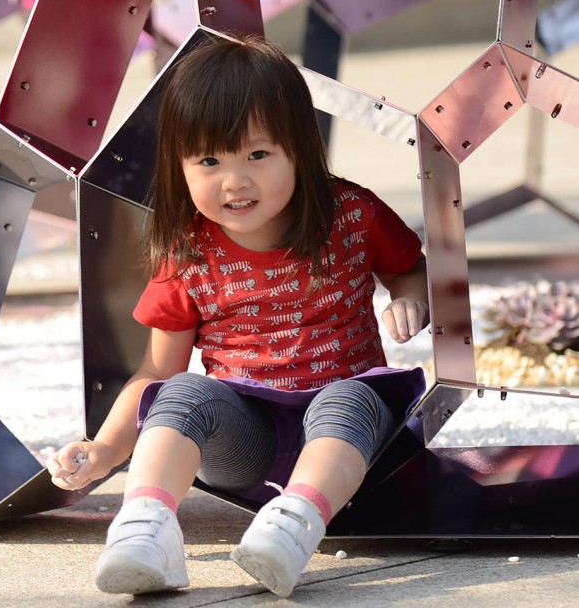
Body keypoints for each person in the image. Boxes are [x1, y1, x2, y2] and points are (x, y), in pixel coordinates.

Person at [45, 34, 430, 598]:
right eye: (208, 160)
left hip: (347, 434)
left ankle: (293, 525)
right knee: (181, 393)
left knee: (349, 397)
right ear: (179, 166)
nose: (234, 180)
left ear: (299, 147)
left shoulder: (351, 212)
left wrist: (408, 295)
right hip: (244, 440)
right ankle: (145, 531)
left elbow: (410, 268)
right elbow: (155, 373)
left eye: (257, 154)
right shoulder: (188, 254)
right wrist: (103, 450)